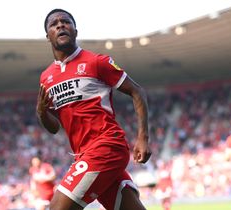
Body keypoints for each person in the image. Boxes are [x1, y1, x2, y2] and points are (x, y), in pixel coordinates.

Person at [36, 8, 151, 210]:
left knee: (57, 208)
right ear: (48, 36)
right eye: (54, 24)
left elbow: (137, 91)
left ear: (75, 31)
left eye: (66, 22)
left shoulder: (96, 62)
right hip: (83, 153)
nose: (60, 25)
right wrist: (42, 113)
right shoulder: (47, 77)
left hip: (106, 146)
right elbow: (55, 128)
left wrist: (143, 137)